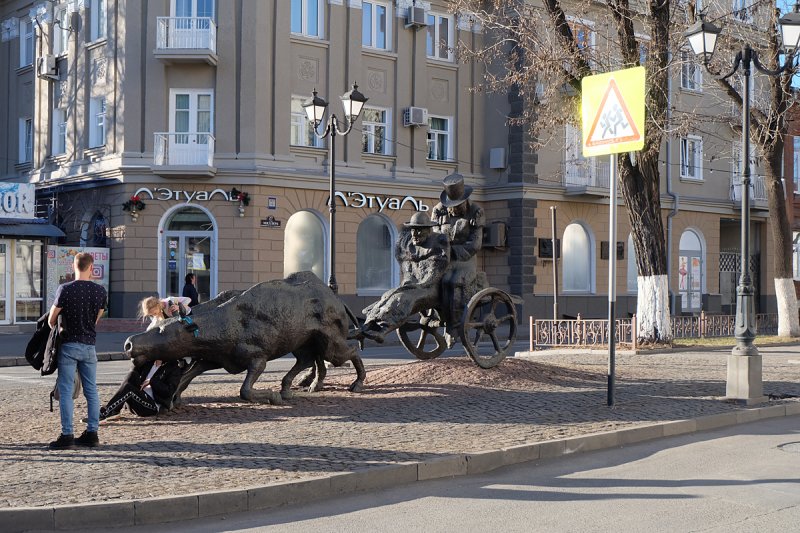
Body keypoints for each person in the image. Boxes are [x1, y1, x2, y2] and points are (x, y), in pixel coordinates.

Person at [48, 252, 107, 450]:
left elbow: (51, 320)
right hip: (89, 346)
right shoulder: (100, 291)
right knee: (91, 390)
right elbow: (96, 319)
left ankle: (67, 435)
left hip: (69, 345)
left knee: (66, 390)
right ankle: (92, 433)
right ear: (91, 268)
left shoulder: (65, 289)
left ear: (74, 266)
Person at [361, 212, 450, 342]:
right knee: (388, 295)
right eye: (413, 230)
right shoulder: (410, 247)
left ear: (428, 230)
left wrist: (418, 285)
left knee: (402, 298)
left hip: (431, 289)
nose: (415, 234)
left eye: (419, 230)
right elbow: (408, 271)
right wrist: (409, 283)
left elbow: (434, 273)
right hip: (416, 287)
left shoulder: (439, 245)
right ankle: (368, 324)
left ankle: (384, 330)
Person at [431, 173, 485, 345]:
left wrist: (452, 251)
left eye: (456, 205)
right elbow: (433, 235)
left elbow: (475, 244)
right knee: (431, 280)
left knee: (453, 282)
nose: (452, 209)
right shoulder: (438, 210)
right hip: (443, 256)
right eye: (450, 205)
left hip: (464, 259)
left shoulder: (476, 211)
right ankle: (436, 315)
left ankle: (454, 326)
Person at [97, 359, 183, 420]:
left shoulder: (173, 368)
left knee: (129, 388)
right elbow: (132, 376)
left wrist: (152, 381)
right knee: (131, 374)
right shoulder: (149, 363)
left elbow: (168, 392)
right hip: (139, 399)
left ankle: (105, 412)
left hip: (151, 406)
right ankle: (115, 409)